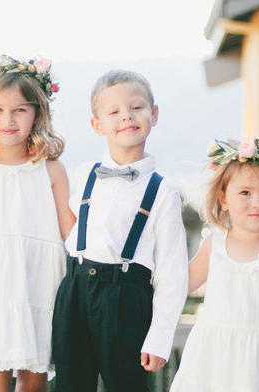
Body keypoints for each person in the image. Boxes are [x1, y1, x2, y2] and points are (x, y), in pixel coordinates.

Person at [52, 70, 189, 392]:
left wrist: (159, 337)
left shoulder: (163, 192)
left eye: (136, 107)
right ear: (97, 125)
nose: (126, 116)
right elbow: (71, 233)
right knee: (69, 385)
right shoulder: (84, 174)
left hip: (126, 296)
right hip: (75, 290)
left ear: (153, 115)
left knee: (126, 385)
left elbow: (172, 272)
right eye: (113, 111)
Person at [0, 55, 73, 391]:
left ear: (37, 113)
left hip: (40, 287)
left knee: (33, 383)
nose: (8, 119)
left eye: (20, 110)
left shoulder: (50, 169)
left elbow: (71, 231)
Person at [170, 134, 259, 391]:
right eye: (245, 193)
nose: (257, 203)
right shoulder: (214, 245)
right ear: (224, 200)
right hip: (214, 362)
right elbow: (181, 283)